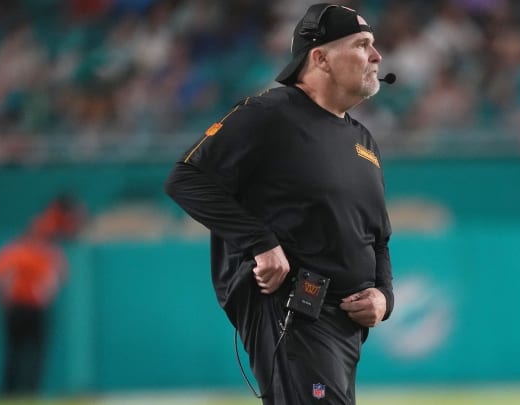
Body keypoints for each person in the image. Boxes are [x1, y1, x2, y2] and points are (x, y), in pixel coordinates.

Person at [164, 4, 394, 404]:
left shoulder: (363, 141)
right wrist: (260, 242)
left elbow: (378, 240)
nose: (376, 56)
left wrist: (384, 298)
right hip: (293, 310)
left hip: (345, 328)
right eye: (362, 45)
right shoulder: (269, 114)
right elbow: (187, 179)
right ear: (319, 57)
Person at [0, 195, 84, 397]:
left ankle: (15, 395)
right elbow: (58, 279)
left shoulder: (21, 252)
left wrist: (2, 300)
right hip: (28, 308)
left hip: (21, 308)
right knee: (27, 356)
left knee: (21, 356)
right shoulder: (38, 254)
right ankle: (20, 395)